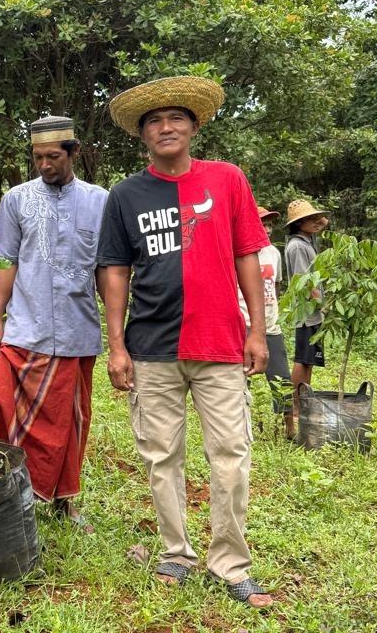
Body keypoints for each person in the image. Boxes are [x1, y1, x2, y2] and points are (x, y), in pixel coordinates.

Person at [96, 76, 274, 608]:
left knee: (231, 455)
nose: (165, 127)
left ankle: (230, 563)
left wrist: (257, 330)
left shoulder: (227, 180)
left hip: (220, 343)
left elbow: (248, 255)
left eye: (175, 118)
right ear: (142, 134)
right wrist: (116, 345)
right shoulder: (126, 194)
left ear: (194, 125)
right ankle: (176, 552)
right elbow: (114, 270)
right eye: (153, 121)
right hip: (151, 347)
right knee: (161, 456)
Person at [0, 116, 108, 525]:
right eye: (38, 158)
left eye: (54, 156)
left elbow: (109, 269)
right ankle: (10, 491)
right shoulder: (15, 199)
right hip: (24, 327)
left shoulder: (101, 201)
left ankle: (64, 499)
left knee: (70, 421)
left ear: (74, 152)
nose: (45, 165)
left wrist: (120, 334)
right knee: (3, 407)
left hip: (77, 330)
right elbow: (5, 259)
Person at [237, 206, 294, 437]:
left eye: (269, 224)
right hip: (243, 323)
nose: (267, 229)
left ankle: (289, 429)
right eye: (262, 224)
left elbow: (277, 285)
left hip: (270, 325)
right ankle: (242, 427)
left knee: (282, 379)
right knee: (241, 377)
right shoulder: (238, 252)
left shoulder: (273, 253)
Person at [284, 199, 329, 429]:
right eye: (309, 219)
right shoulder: (298, 246)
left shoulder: (306, 240)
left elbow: (325, 221)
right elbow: (305, 282)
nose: (316, 222)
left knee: (310, 360)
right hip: (307, 313)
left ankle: (305, 402)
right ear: (299, 223)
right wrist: (323, 303)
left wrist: (315, 216)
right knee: (302, 360)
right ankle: (296, 408)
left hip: (314, 313)